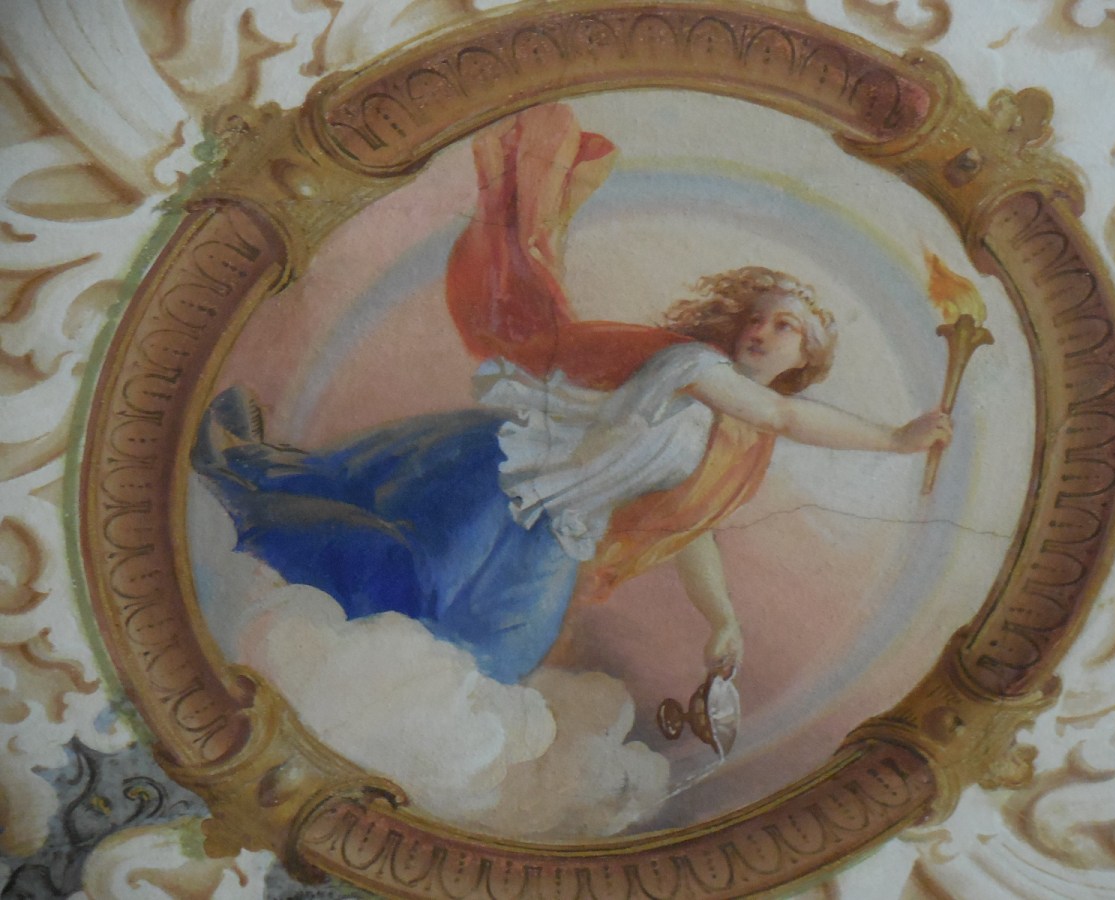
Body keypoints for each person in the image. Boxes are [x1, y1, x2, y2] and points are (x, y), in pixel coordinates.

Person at [193, 104, 950, 686]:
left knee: (497, 655)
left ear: (806, 358)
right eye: (760, 317)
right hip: (505, 476)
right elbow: (780, 414)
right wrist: (893, 440)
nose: (763, 330)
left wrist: (723, 619)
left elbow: (691, 533)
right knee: (407, 578)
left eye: (787, 328)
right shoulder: (694, 365)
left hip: (556, 529)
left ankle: (363, 698)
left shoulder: (737, 447)